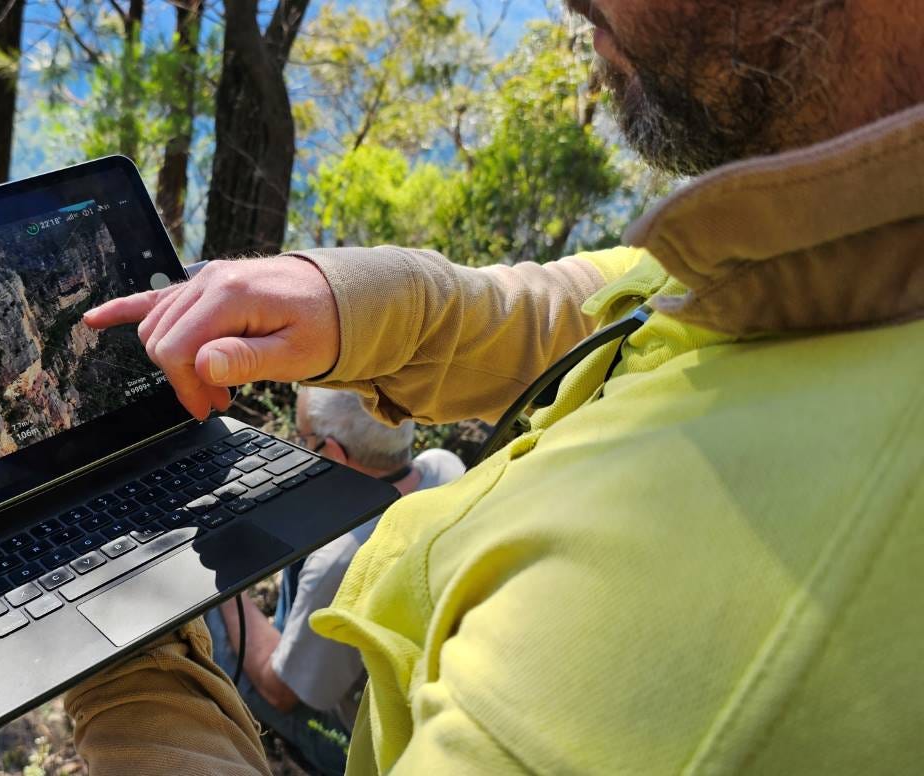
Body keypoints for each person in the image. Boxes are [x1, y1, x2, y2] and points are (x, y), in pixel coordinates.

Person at [62, 1, 924, 774]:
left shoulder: (639, 664)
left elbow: (285, 691)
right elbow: (616, 309)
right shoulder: (833, 254)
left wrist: (127, 649)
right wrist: (352, 301)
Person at [204, 388, 465, 775]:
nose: (297, 448)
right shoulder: (445, 468)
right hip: (433, 696)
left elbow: (281, 693)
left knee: (208, 619)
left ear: (333, 452)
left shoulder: (341, 560)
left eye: (302, 438)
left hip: (375, 745)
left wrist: (224, 585)